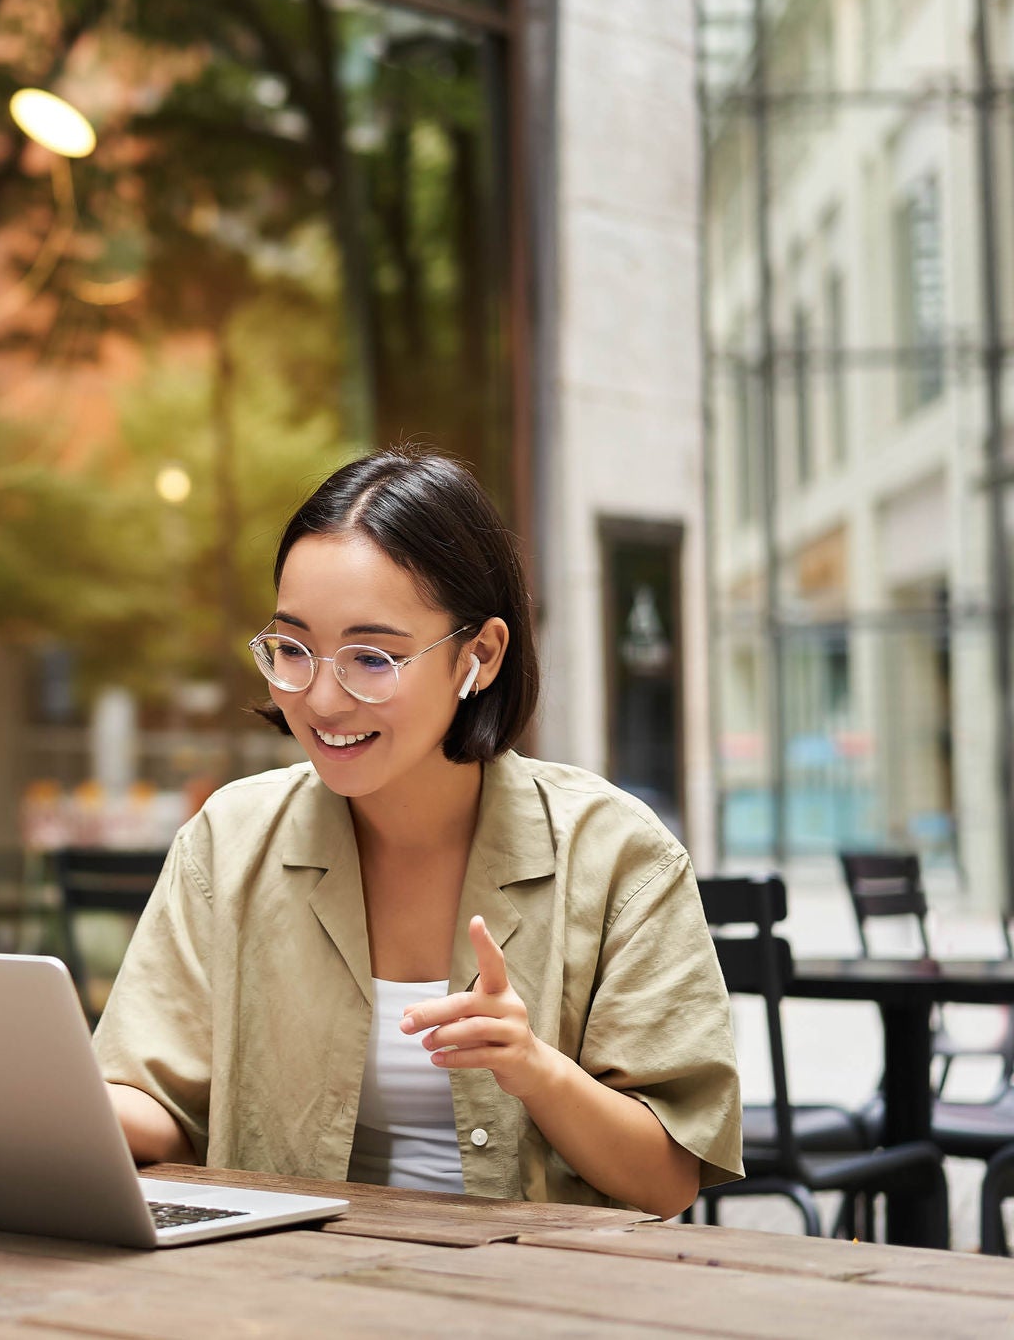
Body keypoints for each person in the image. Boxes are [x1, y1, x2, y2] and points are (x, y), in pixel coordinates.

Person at [93, 449, 741, 1217]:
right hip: (285, 1295)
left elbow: (667, 1180)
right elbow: (160, 1111)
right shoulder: (228, 842)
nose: (324, 699)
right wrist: (37, 1098)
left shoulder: (618, 856)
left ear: (481, 655)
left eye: (372, 657)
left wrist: (535, 1068)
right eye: (293, 649)